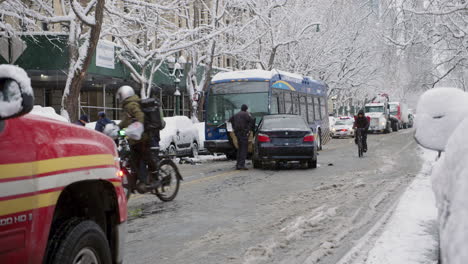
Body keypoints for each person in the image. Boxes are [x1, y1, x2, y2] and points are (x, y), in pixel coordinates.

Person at [116, 85, 158, 192]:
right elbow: (126, 121)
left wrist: (137, 127)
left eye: (120, 95)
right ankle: (136, 182)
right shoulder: (127, 106)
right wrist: (117, 129)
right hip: (134, 139)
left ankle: (155, 177)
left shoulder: (132, 104)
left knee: (144, 157)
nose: (119, 98)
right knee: (134, 161)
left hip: (142, 138)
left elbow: (140, 117)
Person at [229, 104, 254, 170]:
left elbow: (229, 120)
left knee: (239, 149)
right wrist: (248, 129)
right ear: (246, 109)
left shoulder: (236, 114)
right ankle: (241, 165)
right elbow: (252, 121)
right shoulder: (246, 114)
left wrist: (234, 127)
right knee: (243, 150)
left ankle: (238, 164)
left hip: (237, 133)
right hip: (243, 133)